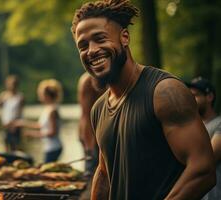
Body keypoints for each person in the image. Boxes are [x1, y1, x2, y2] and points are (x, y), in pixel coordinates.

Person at [71, 1, 216, 199]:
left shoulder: (164, 92)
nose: (92, 50)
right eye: (83, 45)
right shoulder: (99, 108)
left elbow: (203, 170)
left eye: (100, 39)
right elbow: (105, 172)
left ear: (124, 37)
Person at [186, 77, 221, 200]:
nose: (191, 100)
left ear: (209, 97)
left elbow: (208, 159)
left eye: (195, 95)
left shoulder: (219, 124)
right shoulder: (191, 127)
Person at [15, 79, 63, 163]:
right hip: (49, 147)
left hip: (54, 148)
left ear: (47, 95)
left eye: (41, 94)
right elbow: (40, 125)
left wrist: (33, 134)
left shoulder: (52, 111)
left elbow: (53, 132)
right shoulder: (47, 109)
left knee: (47, 171)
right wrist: (23, 123)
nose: (39, 96)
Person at [78, 72, 106, 200]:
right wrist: (90, 146)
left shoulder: (108, 77)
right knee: (92, 176)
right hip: (92, 138)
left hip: (101, 136)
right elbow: (86, 115)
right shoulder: (88, 81)